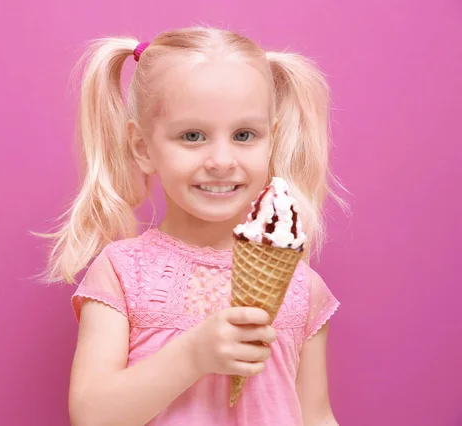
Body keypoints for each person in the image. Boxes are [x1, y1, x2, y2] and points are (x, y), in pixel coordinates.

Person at [42, 25, 345, 426]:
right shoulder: (122, 272)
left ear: (271, 141)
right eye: (193, 135)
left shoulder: (302, 287)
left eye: (243, 135)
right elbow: (92, 416)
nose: (221, 159)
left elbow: (315, 415)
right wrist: (193, 355)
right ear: (142, 147)